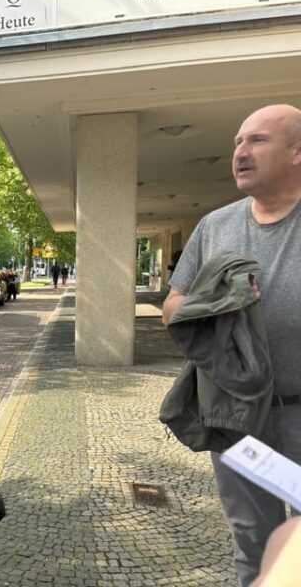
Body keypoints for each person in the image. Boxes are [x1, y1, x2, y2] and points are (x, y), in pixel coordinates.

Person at [162, 104, 301, 587]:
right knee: (254, 549)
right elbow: (172, 307)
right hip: (238, 417)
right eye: (238, 143)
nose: (241, 152)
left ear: (297, 151)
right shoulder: (215, 226)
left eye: (257, 140)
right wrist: (215, 302)